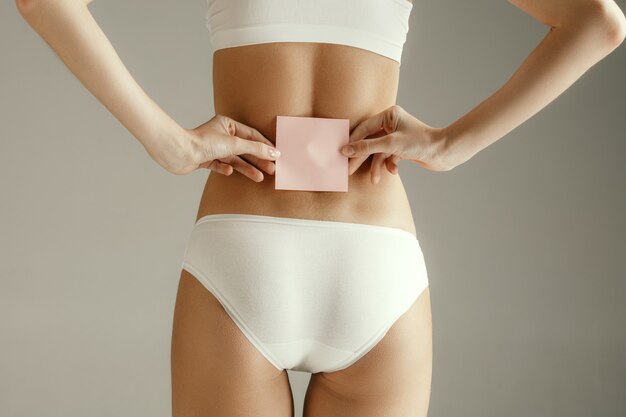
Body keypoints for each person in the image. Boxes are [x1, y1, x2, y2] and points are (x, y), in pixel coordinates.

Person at [16, 0, 625, 415]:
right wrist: (451, 145)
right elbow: (600, 21)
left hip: (241, 257)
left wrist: (168, 142)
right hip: (375, 262)